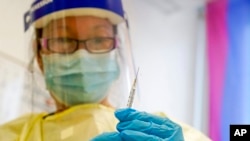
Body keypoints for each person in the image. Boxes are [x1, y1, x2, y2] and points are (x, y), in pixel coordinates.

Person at [0, 0, 211, 141]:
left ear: (116, 52)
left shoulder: (160, 132)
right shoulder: (12, 135)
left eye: (99, 39)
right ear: (40, 57)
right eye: (62, 40)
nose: (81, 54)